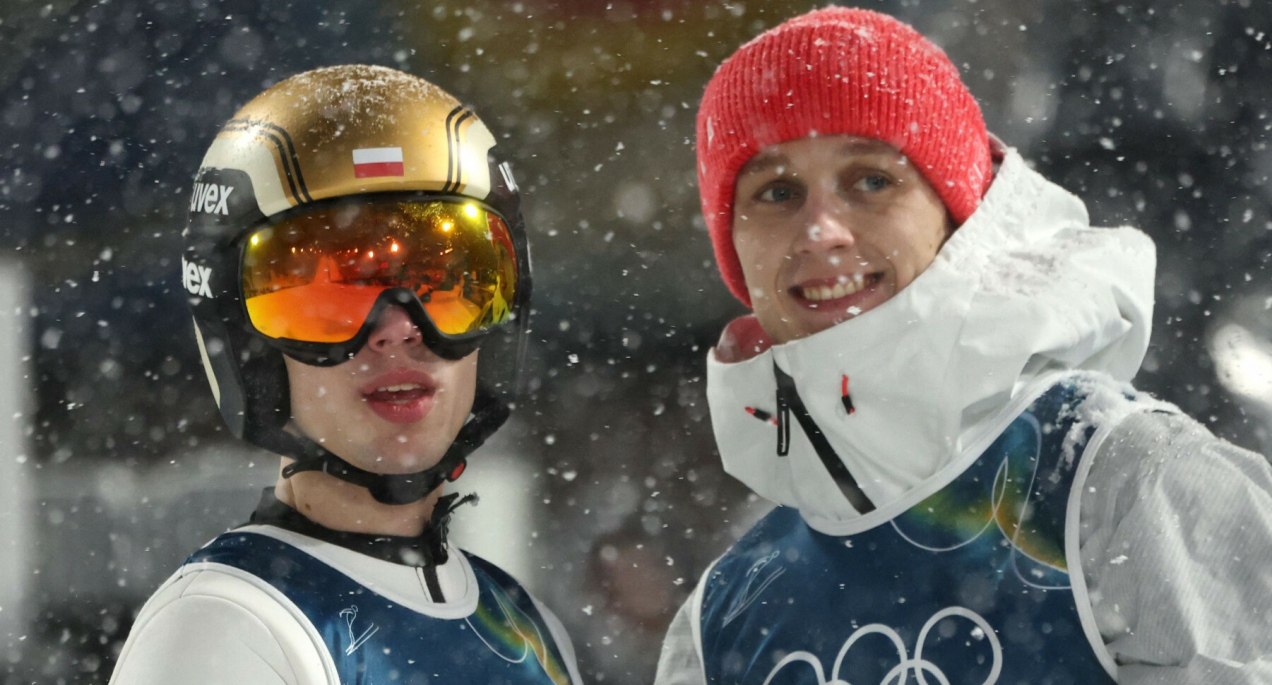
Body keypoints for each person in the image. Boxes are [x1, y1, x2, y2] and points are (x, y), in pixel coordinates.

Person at [656, 8, 1272, 684]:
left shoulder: (1132, 481)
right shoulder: (723, 616)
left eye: (871, 180)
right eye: (777, 191)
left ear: (957, 215)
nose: (821, 230)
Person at [109, 64, 582, 685]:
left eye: (445, 284)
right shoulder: (227, 627)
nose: (397, 330)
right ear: (250, 350)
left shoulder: (526, 625)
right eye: (326, 296)